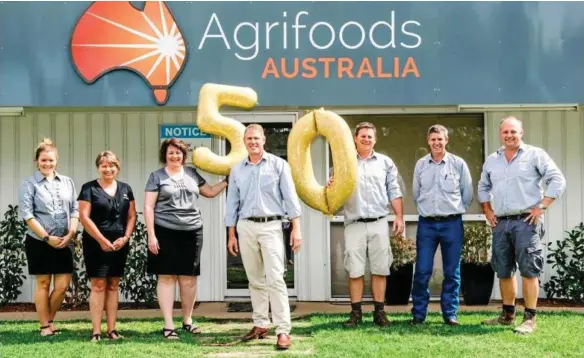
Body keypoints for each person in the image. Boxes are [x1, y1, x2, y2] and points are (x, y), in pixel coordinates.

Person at [478, 116, 566, 334]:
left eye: (513, 132)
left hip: (526, 222)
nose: (509, 135)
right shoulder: (492, 160)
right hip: (501, 223)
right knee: (504, 270)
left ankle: (530, 319)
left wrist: (542, 207)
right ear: (500, 134)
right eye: (505, 132)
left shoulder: (535, 155)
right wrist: (488, 210)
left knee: (529, 270)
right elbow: (483, 186)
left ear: (521, 133)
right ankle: (508, 315)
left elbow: (558, 180)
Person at [225, 124, 302, 351]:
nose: (253, 142)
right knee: (255, 279)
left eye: (256, 138)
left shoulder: (279, 165)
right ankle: (260, 324)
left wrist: (296, 228)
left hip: (272, 226)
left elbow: (290, 197)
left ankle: (282, 330)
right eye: (249, 139)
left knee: (276, 278)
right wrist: (231, 233)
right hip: (246, 226)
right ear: (244, 141)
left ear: (263, 140)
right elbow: (232, 203)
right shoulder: (237, 169)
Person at [145, 138, 228, 340]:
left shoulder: (191, 173)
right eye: (170, 152)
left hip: (193, 231)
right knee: (166, 277)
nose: (174, 156)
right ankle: (168, 324)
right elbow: (148, 207)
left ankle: (188, 320)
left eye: (178, 153)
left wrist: (227, 181)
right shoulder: (156, 176)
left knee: (189, 279)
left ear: (184, 156)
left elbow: (208, 192)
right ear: (164, 155)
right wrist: (151, 235)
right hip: (165, 231)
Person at [333, 122, 404, 327]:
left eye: (370, 136)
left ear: (375, 139)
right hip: (354, 223)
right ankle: (356, 313)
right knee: (355, 270)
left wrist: (399, 216)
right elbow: (334, 192)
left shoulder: (385, 162)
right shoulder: (344, 162)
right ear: (355, 138)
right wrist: (331, 187)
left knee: (380, 269)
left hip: (379, 223)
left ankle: (379, 313)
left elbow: (394, 189)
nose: (366, 139)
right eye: (362, 136)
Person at [410, 124, 473, 326]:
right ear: (428, 141)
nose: (437, 143)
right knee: (422, 270)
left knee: (452, 272)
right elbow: (416, 193)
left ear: (447, 140)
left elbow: (467, 194)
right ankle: (419, 314)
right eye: (433, 139)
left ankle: (450, 314)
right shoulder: (421, 165)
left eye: (440, 139)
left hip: (452, 223)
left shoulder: (458, 164)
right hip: (427, 225)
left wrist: (453, 209)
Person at [18, 138, 79, 337]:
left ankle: (49, 320)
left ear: (56, 161)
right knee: (43, 283)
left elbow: (75, 210)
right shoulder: (29, 184)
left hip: (64, 241)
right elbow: (28, 215)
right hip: (39, 241)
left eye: (51, 160)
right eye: (43, 160)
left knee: (62, 286)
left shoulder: (68, 182)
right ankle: (45, 326)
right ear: (37, 161)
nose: (47, 164)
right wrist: (46, 238)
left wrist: (71, 233)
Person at [78, 151, 137, 342]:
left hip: (119, 244)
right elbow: (84, 217)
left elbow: (132, 216)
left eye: (111, 165)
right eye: (104, 165)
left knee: (113, 285)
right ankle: (96, 331)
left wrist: (126, 237)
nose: (108, 169)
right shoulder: (88, 188)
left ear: (117, 168)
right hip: (96, 243)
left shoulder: (126, 189)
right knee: (97, 285)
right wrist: (101, 240)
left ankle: (112, 330)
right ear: (98, 167)